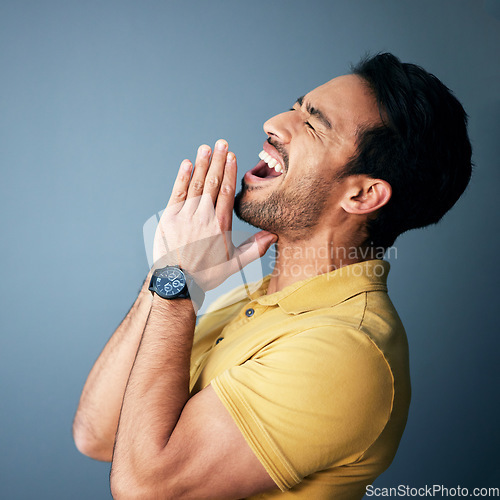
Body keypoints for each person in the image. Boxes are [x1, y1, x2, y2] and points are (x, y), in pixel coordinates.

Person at [73, 53, 472, 499]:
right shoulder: (250, 298)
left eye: (313, 124)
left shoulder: (344, 350)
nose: (274, 122)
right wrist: (168, 275)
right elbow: (95, 433)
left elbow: (145, 488)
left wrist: (176, 283)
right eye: (297, 107)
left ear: (362, 194)